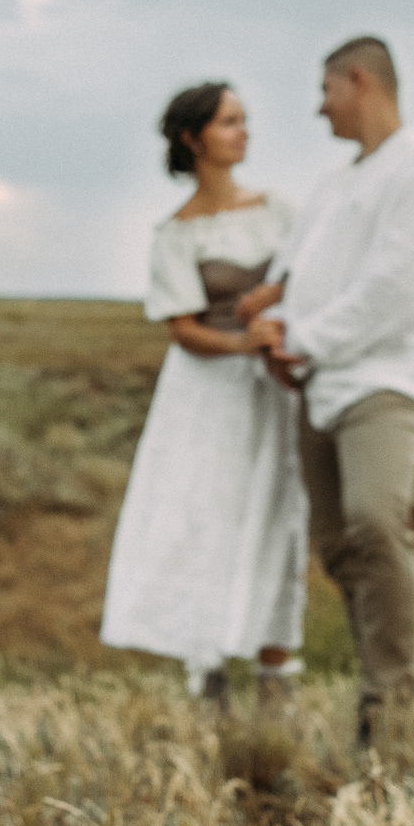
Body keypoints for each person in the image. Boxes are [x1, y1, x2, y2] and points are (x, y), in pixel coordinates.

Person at [243, 36, 414, 747]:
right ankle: (376, 703)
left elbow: (395, 289)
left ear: (360, 82)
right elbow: (292, 276)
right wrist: (276, 326)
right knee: (340, 546)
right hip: (317, 382)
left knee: (376, 520)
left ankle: (391, 709)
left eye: (326, 90)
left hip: (385, 380)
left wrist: (302, 338)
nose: (319, 107)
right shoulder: (333, 187)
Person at [98, 82, 308, 705]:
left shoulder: (278, 212)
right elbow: (184, 329)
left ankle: (277, 672)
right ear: (194, 139)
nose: (244, 132)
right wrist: (247, 343)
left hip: (272, 387)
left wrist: (276, 323)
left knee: (276, 514)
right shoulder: (175, 233)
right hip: (206, 395)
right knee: (205, 516)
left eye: (245, 121)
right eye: (229, 123)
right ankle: (205, 665)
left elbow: (306, 278)